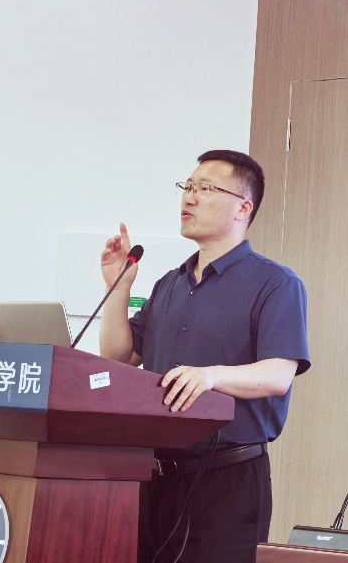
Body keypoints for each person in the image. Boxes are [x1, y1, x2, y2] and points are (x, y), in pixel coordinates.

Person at [99, 149, 310, 563]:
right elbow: (119, 356)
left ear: (243, 207)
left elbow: (277, 375)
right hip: (155, 475)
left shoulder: (275, 283)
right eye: (188, 187)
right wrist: (118, 287)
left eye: (205, 188)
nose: (189, 198)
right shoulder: (169, 284)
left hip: (227, 480)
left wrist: (211, 376)